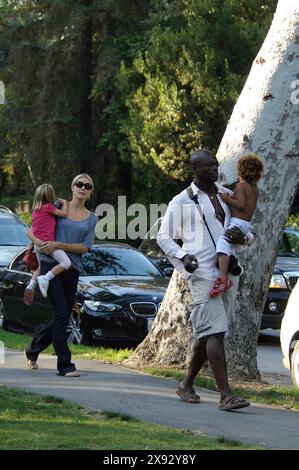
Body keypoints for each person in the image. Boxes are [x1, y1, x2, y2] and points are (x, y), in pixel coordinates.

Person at [157, 149, 251, 411]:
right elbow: (163, 238)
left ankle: (186, 384)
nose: (215, 167)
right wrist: (183, 256)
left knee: (209, 333)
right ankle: (225, 396)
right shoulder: (181, 201)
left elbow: (244, 229)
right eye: (208, 165)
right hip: (203, 275)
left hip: (229, 273)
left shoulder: (226, 195)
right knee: (216, 332)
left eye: (216, 163)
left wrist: (243, 239)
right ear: (194, 170)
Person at [24, 174, 98, 377]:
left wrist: (60, 245)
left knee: (62, 316)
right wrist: (39, 243)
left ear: (90, 191)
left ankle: (33, 349)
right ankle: (65, 365)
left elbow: (85, 247)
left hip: (72, 270)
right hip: (50, 266)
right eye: (79, 184)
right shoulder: (56, 207)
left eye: (87, 185)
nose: (83, 187)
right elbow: (33, 230)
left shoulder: (92, 218)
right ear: (72, 187)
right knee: (60, 315)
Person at [210, 153, 264, 298]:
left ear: (241, 169)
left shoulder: (241, 186)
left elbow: (240, 204)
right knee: (229, 247)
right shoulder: (254, 189)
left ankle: (222, 279)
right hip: (245, 224)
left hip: (238, 223)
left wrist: (227, 199)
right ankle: (231, 267)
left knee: (222, 244)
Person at [23, 184, 71, 305]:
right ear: (51, 196)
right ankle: (46, 278)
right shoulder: (48, 207)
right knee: (66, 263)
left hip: (37, 246)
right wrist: (65, 203)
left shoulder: (35, 210)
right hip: (47, 244)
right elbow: (64, 214)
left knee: (40, 267)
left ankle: (31, 284)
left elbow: (32, 230)